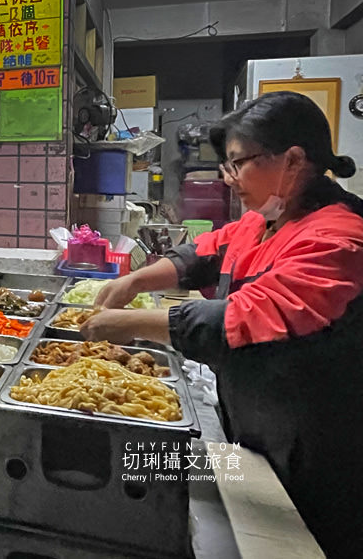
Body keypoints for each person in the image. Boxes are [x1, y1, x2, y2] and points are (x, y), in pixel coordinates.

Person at [80, 91, 363, 558]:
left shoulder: (339, 239)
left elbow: (241, 317)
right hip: (256, 433)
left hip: (315, 453)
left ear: (292, 161)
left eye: (237, 164)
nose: (228, 179)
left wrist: (130, 323)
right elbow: (206, 251)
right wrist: (135, 278)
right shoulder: (267, 219)